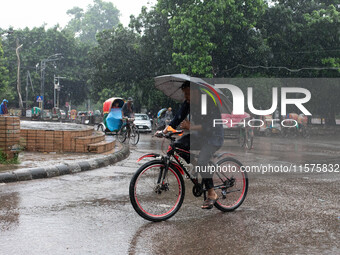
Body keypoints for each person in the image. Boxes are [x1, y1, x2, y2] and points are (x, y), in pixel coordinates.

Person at [156, 81, 224, 209]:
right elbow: (178, 118)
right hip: (200, 136)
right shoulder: (188, 103)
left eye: (188, 93)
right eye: (185, 94)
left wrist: (191, 126)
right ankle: (196, 166)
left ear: (196, 92)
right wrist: (164, 131)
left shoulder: (207, 102)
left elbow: (210, 126)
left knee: (203, 161)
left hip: (214, 137)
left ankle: (212, 193)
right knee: (177, 145)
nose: (186, 97)